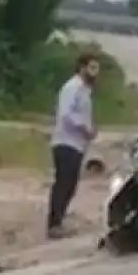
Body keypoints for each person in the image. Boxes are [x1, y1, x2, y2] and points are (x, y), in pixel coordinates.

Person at [47, 51, 100, 239]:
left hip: (77, 145)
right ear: (82, 67)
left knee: (70, 184)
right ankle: (53, 224)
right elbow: (65, 114)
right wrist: (85, 128)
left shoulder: (85, 90)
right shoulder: (73, 87)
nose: (95, 73)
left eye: (97, 69)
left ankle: (58, 221)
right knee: (63, 183)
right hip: (65, 142)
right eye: (92, 68)